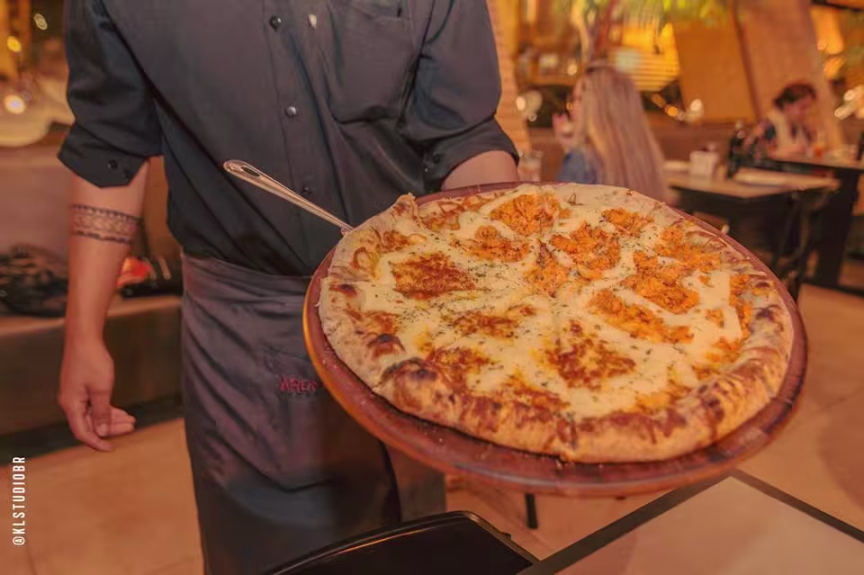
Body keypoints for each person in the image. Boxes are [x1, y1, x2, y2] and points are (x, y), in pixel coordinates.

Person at [56, 2, 519, 574]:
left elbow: (465, 138)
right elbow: (110, 149)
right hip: (244, 326)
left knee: (406, 539)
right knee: (269, 553)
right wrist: (82, 332)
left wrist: (500, 292)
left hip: (407, 302)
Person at [551, 61, 667, 202]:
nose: (572, 108)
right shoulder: (646, 154)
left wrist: (573, 155)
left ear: (597, 108)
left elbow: (560, 207)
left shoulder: (582, 160)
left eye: (579, 99)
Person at [747, 82, 818, 157]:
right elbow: (753, 156)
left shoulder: (802, 126)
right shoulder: (768, 126)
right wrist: (784, 153)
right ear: (786, 105)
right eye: (803, 108)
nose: (807, 112)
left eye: (809, 107)